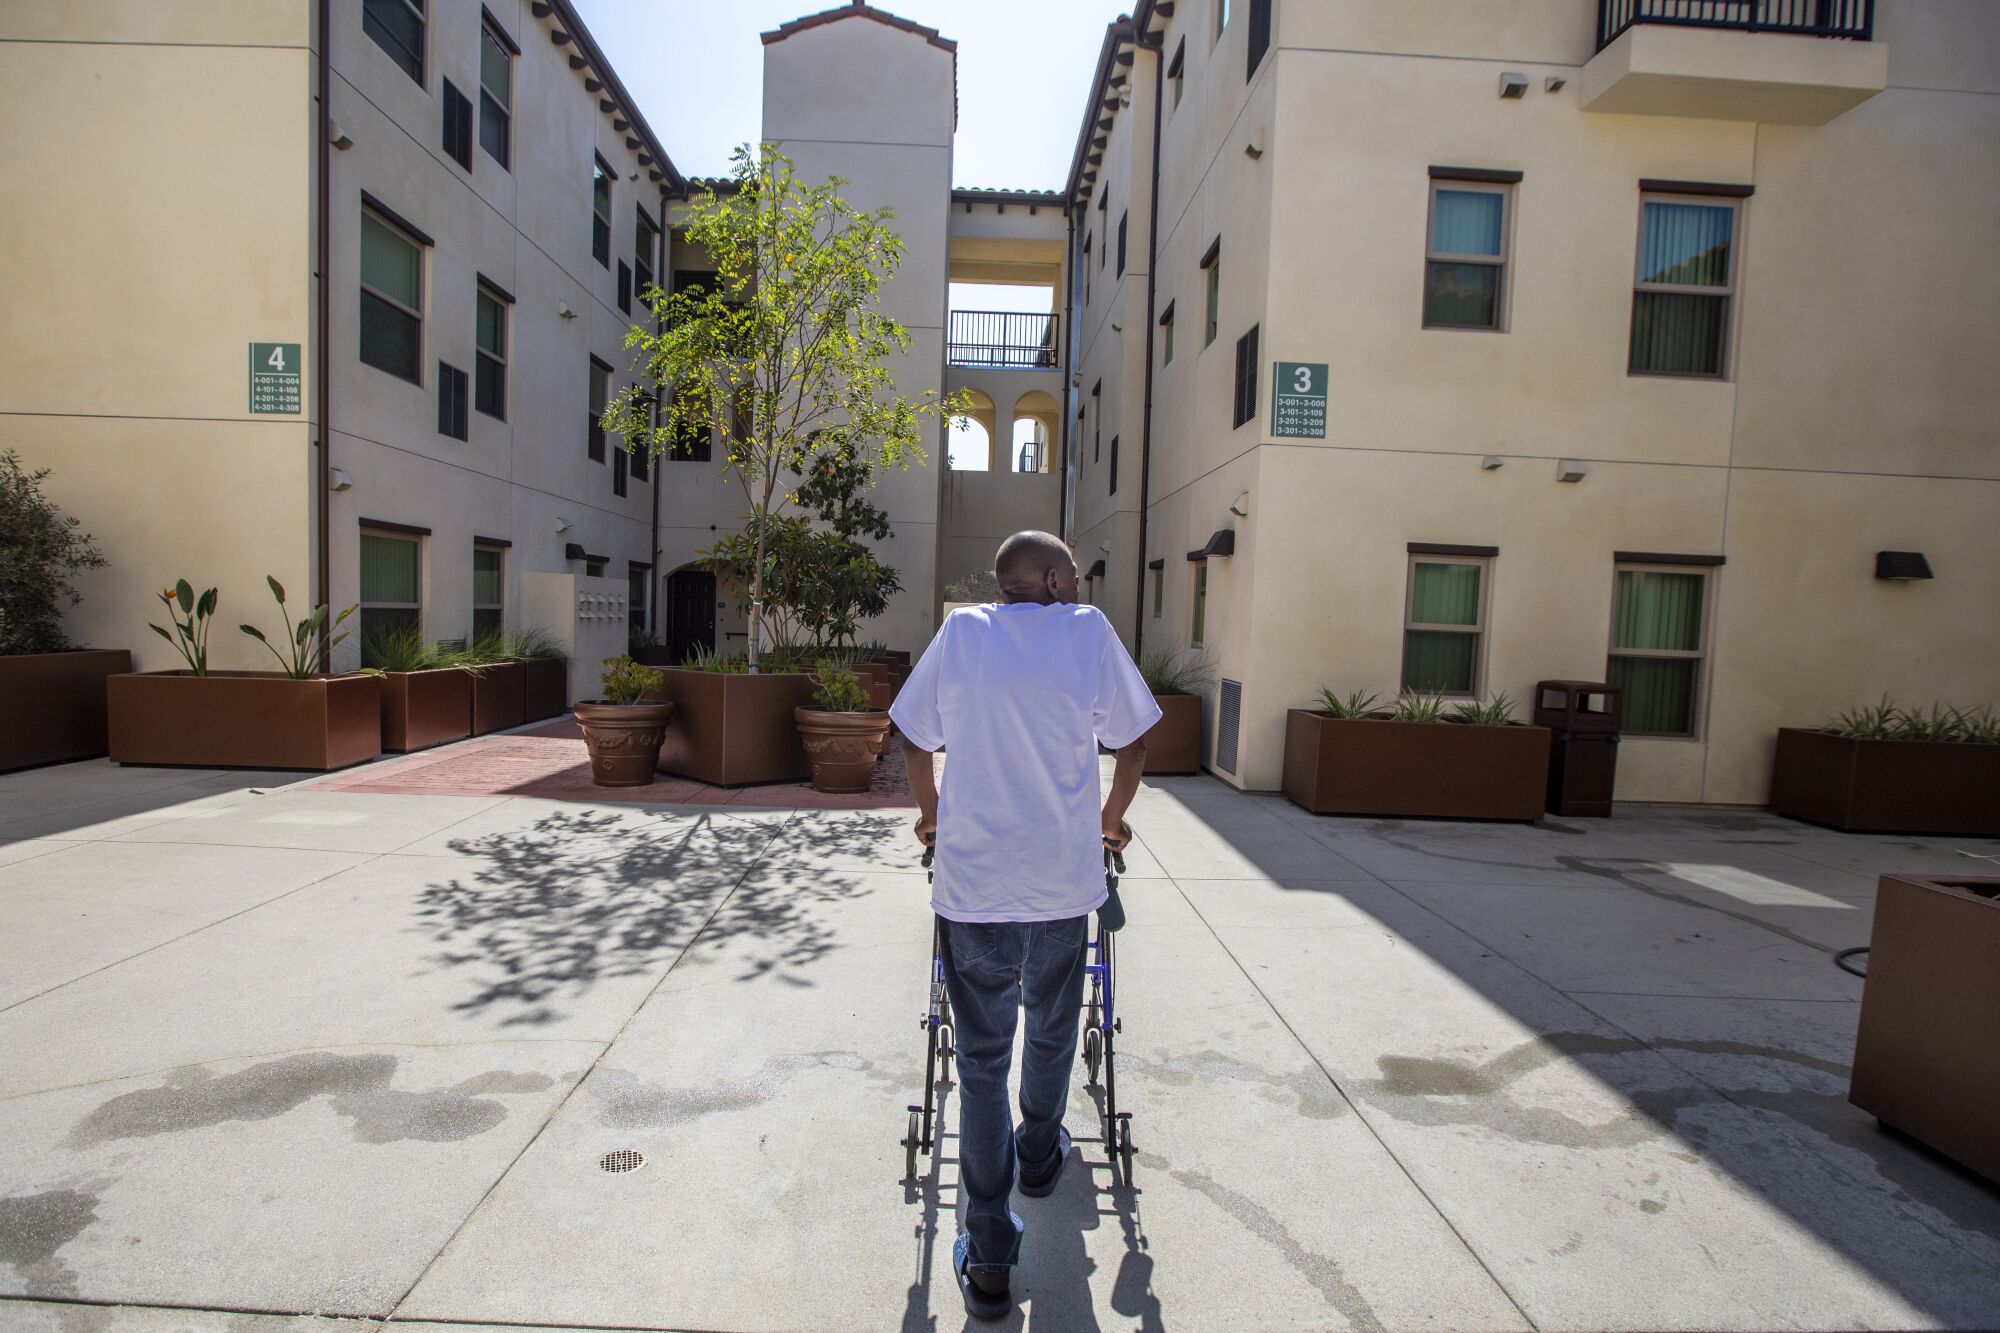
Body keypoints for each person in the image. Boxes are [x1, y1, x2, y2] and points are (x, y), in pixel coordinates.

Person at [890, 529, 1160, 1321]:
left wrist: (933, 821)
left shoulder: (963, 633)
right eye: (1071, 570)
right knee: (1050, 1026)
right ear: (1048, 577)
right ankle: (1039, 1155)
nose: (1078, 579)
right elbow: (1136, 742)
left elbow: (912, 736)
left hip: (974, 888)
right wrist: (1109, 822)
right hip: (1059, 884)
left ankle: (991, 1248)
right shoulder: (1086, 631)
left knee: (979, 1060)